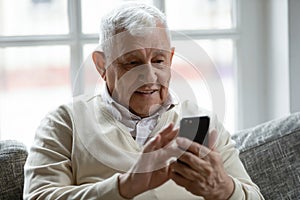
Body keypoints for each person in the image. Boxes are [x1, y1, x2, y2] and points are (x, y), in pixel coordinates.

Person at [24, 3, 264, 200]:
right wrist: (124, 186)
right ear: (101, 65)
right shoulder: (65, 122)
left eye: (158, 60)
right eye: (132, 62)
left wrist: (224, 189)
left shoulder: (202, 122)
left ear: (170, 58)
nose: (149, 76)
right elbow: (39, 196)